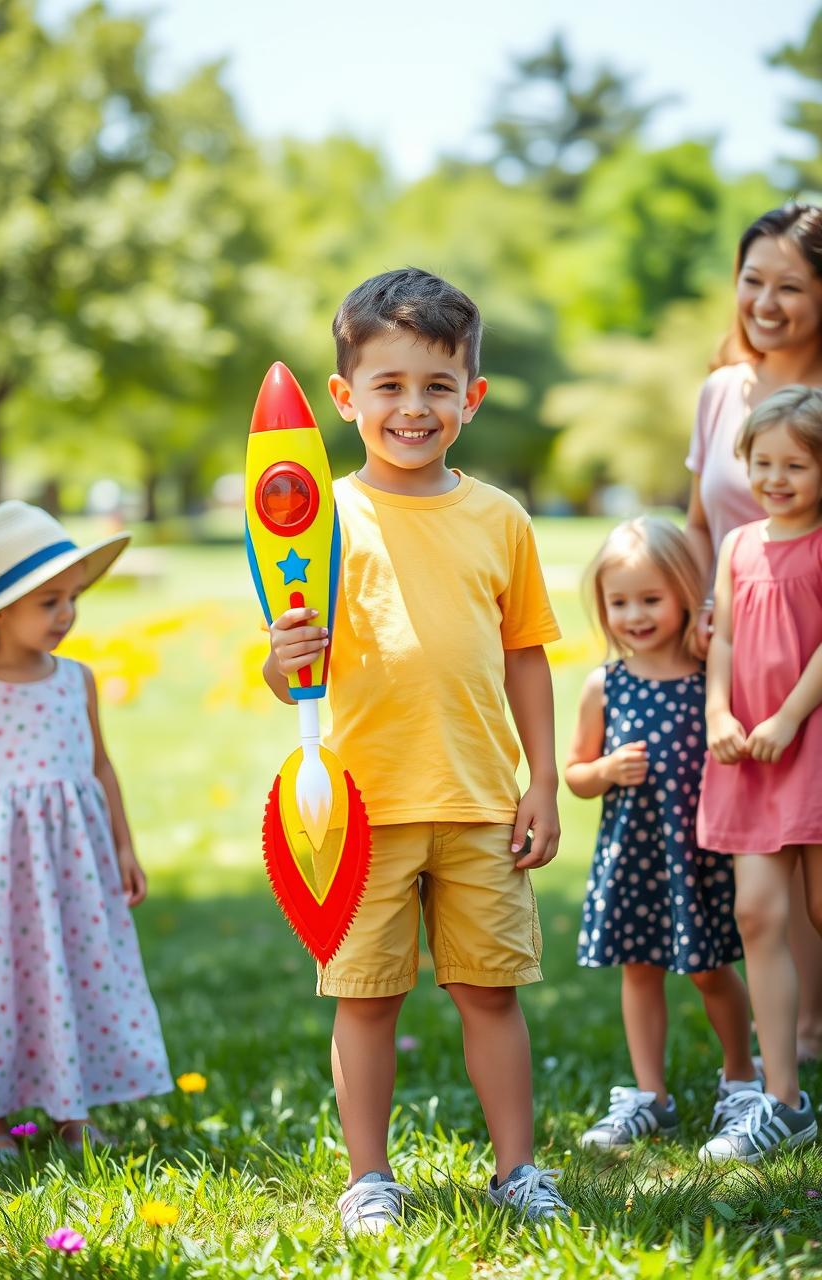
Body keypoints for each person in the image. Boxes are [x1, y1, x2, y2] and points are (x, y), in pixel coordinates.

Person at [264, 269, 566, 1233]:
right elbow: (289, 671)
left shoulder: (499, 520)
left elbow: (525, 656)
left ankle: (517, 1169)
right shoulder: (320, 520)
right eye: (388, 386)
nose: (413, 407)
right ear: (345, 397)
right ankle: (369, 1179)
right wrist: (282, 661)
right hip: (360, 808)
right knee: (365, 1000)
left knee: (490, 992)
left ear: (471, 399)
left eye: (438, 386)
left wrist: (544, 780)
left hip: (480, 799)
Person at [565, 517, 757, 1152]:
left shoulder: (712, 679)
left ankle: (741, 1077)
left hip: (700, 853)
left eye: (650, 599)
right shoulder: (606, 685)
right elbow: (575, 773)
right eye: (619, 602)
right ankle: (651, 1096)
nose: (634, 615)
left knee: (711, 971)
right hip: (635, 855)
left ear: (684, 595)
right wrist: (604, 770)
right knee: (639, 970)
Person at [0, 501, 172, 1161]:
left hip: (71, 866)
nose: (66, 614)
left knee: (72, 974)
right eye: (47, 601)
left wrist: (124, 845)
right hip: (1, 873)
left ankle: (73, 1110)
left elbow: (99, 765)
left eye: (72, 598)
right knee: (3, 981)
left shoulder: (77, 681)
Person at [686, 202, 822, 1063]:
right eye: (751, 281)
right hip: (735, 660)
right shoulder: (720, 393)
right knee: (768, 857)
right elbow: (703, 517)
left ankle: (810, 1029)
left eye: (790, 286)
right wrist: (704, 602)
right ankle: (794, 1039)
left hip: (812, 651)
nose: (764, 302)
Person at [697, 386, 822, 1162]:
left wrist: (787, 717)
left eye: (797, 465)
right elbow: (726, 644)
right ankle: (782, 1099)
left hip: (807, 738)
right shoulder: (739, 545)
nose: (776, 478)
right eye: (763, 463)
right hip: (750, 752)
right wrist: (719, 713)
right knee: (758, 917)